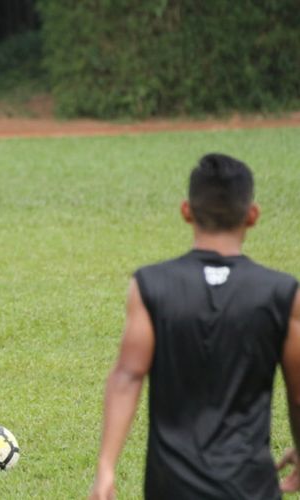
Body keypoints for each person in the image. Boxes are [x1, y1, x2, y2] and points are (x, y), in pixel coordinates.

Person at [88, 154, 300, 499]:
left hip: (171, 487)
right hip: (250, 487)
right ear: (253, 215)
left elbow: (127, 376)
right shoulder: (282, 292)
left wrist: (106, 468)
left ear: (186, 211)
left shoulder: (151, 285)